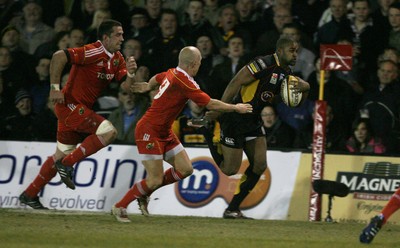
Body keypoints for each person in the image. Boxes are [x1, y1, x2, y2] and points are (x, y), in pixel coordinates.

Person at [111, 46, 253, 223]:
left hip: (164, 131)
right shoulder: (184, 82)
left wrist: (148, 85)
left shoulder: (173, 72)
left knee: (185, 169)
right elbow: (210, 104)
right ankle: (120, 206)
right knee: (154, 179)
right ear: (193, 64)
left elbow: (159, 77)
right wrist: (235, 108)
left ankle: (144, 193)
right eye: (199, 62)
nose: (200, 65)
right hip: (149, 131)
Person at [18, 19, 138, 209]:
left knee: (60, 155)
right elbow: (59, 56)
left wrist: (131, 74)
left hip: (78, 109)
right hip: (69, 105)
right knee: (109, 132)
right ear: (105, 37)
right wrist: (54, 88)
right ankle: (68, 164)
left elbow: (126, 87)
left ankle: (29, 194)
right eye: (118, 34)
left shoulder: (117, 59)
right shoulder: (93, 50)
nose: (122, 38)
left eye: (122, 34)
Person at [201, 36, 310, 218]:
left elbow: (295, 104)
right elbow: (236, 82)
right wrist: (219, 108)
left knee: (259, 165)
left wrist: (305, 88)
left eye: (297, 51)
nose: (295, 55)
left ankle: (232, 209)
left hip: (253, 120)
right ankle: (206, 131)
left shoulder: (286, 74)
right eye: (292, 51)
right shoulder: (262, 63)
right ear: (280, 51)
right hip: (235, 117)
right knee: (230, 170)